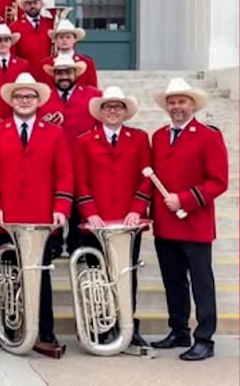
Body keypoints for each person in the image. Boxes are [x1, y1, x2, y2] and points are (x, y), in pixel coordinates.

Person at [0, 73, 73, 358]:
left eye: (29, 97)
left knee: (40, 277)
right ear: (11, 100)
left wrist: (61, 209)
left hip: (42, 219)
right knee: (8, 276)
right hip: (6, 219)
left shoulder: (54, 133)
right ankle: (10, 328)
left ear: (38, 101)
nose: (24, 101)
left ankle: (45, 330)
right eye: (19, 96)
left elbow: (64, 173)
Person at [147, 78, 229, 361]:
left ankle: (205, 338)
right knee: (174, 281)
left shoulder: (209, 136)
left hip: (194, 223)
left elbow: (218, 182)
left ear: (192, 105)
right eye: (172, 102)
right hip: (166, 224)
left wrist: (184, 199)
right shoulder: (158, 136)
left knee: (201, 282)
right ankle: (179, 331)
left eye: (182, 101)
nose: (176, 107)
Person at [72, 86, 153, 349]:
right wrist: (90, 213)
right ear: (101, 112)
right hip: (97, 222)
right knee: (97, 274)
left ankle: (128, 323)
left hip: (128, 222)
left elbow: (147, 178)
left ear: (125, 112)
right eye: (108, 107)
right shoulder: (84, 140)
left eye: (118, 106)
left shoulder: (140, 138)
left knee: (127, 274)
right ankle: (100, 324)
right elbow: (80, 181)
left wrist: (136, 210)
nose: (113, 111)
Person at [38, 54, 102, 256]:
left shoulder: (93, 95)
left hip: (82, 159)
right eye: (59, 73)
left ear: (76, 74)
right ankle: (54, 242)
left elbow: (100, 127)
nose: (63, 76)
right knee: (52, 201)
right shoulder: (43, 96)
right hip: (52, 160)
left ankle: (77, 243)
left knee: (79, 203)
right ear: (53, 75)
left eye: (67, 72)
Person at [38, 19, 98, 89]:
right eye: (61, 37)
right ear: (56, 40)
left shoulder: (87, 63)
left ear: (75, 39)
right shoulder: (46, 63)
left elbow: (93, 88)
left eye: (68, 37)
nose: (64, 40)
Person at [9, 0, 55, 79]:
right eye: (29, 3)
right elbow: (12, 54)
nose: (32, 6)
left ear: (41, 4)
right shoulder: (15, 26)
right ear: (24, 7)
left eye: (35, 2)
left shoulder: (50, 24)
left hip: (48, 73)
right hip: (25, 74)